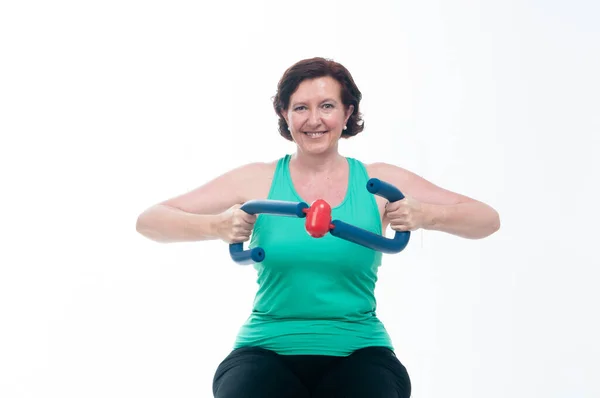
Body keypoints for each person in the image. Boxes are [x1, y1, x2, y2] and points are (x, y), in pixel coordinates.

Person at [135, 57, 501, 398]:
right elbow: (150, 221)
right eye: (301, 107)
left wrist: (425, 216)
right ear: (284, 114)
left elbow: (487, 219)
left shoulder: (378, 181)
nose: (314, 120)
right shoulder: (257, 180)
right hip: (265, 346)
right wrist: (216, 226)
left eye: (327, 106)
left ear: (347, 113)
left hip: (360, 348)